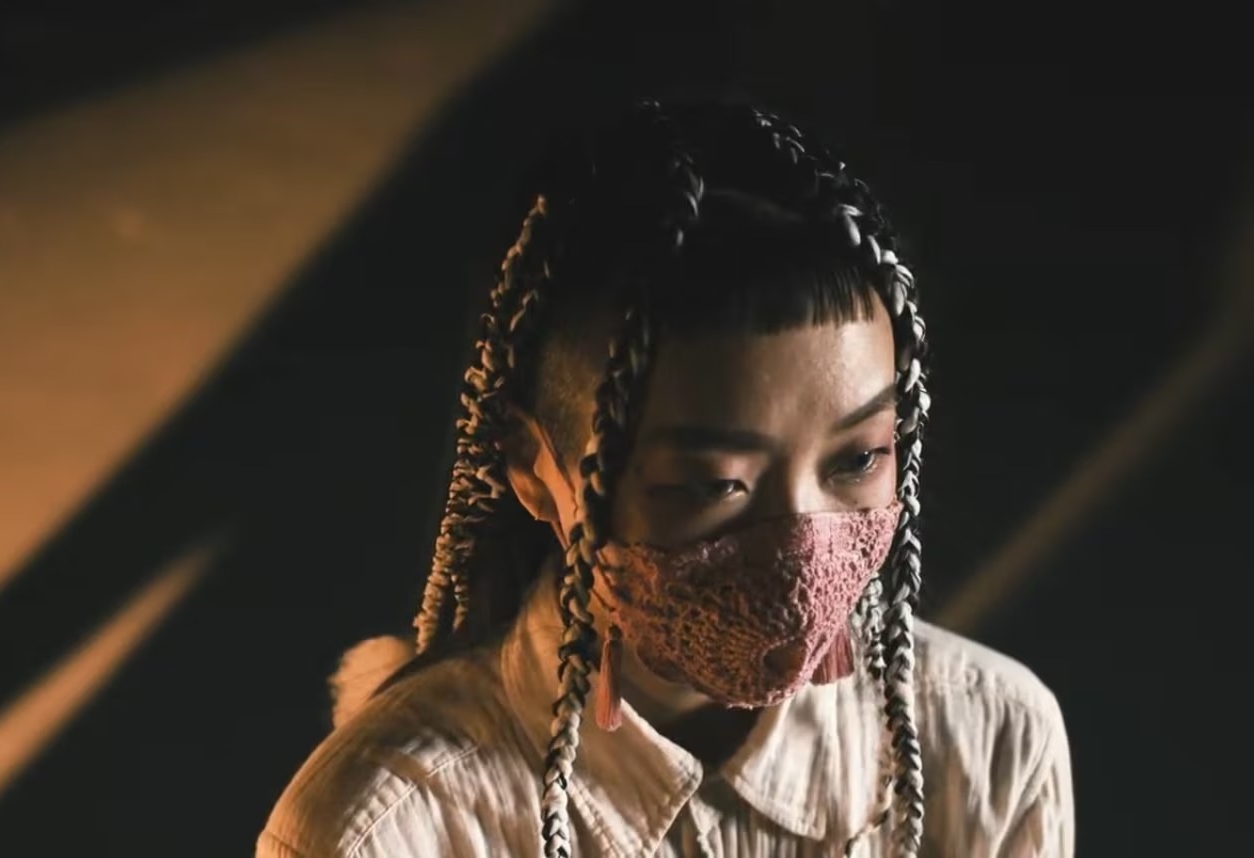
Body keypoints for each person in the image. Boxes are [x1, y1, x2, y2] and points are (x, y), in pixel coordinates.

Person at [256, 96, 1074, 857]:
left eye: (858, 459)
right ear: (534, 470)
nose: (802, 546)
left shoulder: (989, 740)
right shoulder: (385, 829)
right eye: (712, 483)